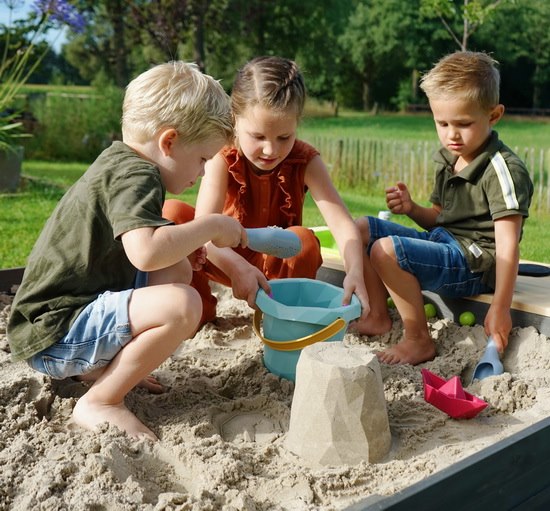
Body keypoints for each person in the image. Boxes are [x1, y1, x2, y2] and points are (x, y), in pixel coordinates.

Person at [7, 61, 247, 441]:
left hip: (56, 320)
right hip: (55, 330)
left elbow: (138, 242)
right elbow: (146, 254)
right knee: (184, 304)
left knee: (178, 274)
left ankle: (102, 370)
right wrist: (210, 225)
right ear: (168, 141)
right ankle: (101, 399)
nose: (202, 173)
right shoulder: (138, 175)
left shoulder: (122, 164)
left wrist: (179, 244)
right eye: (202, 159)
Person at [353, 51, 533, 365]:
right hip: (445, 243)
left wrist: (501, 307)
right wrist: (411, 209)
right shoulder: (449, 157)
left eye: (463, 123)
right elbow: (438, 218)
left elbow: (507, 247)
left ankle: (418, 340)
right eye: (442, 122)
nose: (451, 134)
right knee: (361, 229)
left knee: (385, 251)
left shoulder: (503, 170)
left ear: (494, 115)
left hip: (476, 262)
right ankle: (378, 316)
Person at [163, 56, 369, 323]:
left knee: (304, 241)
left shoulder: (305, 160)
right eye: (258, 137)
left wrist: (354, 271)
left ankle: (283, 316)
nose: (271, 150)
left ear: (297, 124)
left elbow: (342, 225)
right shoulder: (223, 157)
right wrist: (237, 267)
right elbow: (204, 234)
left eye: (284, 137)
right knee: (173, 213)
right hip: (221, 255)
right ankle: (199, 309)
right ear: (234, 120)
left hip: (274, 265)